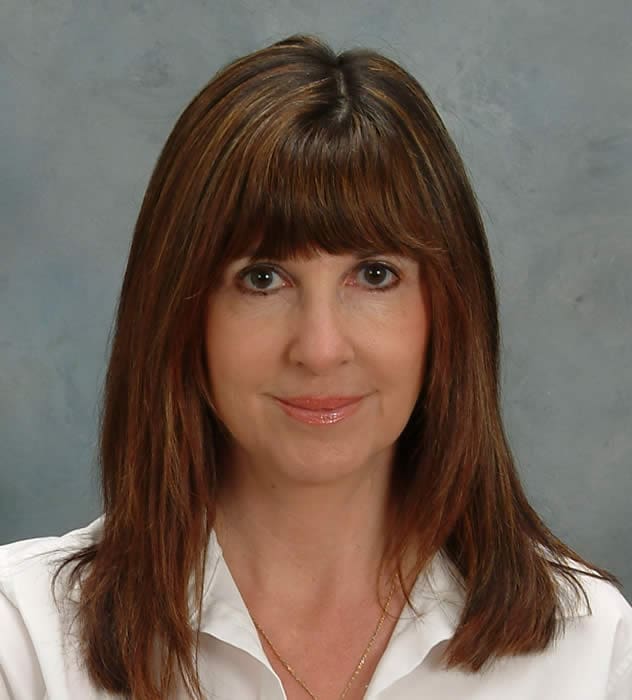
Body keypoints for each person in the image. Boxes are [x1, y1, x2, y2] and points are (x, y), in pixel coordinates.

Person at [0, 33, 630, 700]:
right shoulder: (26, 642)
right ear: (181, 314)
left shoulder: (588, 650)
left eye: (375, 275)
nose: (321, 347)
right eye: (263, 278)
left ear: (447, 310)